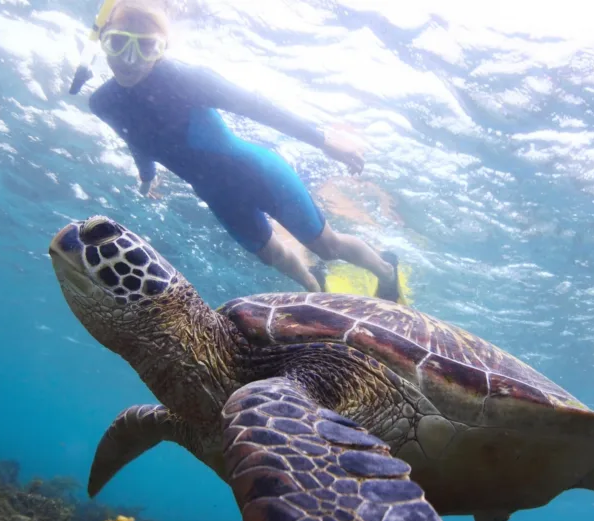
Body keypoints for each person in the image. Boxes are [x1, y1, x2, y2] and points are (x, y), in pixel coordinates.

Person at [86, 0, 401, 300]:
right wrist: (146, 177)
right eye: (118, 43)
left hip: (260, 174)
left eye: (145, 46)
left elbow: (258, 107)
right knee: (273, 256)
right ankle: (316, 294)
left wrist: (323, 140)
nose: (130, 59)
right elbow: (134, 138)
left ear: (162, 49)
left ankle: (386, 271)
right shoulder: (102, 103)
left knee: (327, 247)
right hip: (217, 195)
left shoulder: (184, 79)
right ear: (102, 39)